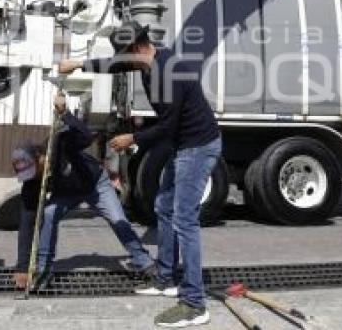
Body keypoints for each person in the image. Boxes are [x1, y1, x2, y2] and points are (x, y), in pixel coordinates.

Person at [59, 21, 221, 328]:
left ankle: (194, 303)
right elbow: (112, 66)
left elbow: (166, 127)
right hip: (182, 144)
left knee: (185, 218)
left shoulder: (168, 73)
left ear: (136, 48)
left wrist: (131, 139)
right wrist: (78, 64)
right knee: (163, 206)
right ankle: (166, 279)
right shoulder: (147, 61)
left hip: (197, 146)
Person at [12, 92, 154, 291]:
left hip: (96, 184)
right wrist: (22, 266)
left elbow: (86, 136)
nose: (32, 177)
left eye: (32, 170)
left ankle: (144, 261)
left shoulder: (59, 142)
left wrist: (66, 114)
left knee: (117, 219)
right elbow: (27, 222)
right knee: (48, 214)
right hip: (67, 194)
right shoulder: (32, 181)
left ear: (40, 156)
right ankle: (43, 269)